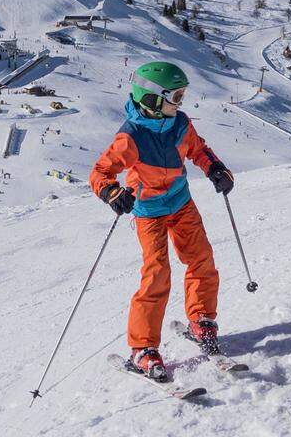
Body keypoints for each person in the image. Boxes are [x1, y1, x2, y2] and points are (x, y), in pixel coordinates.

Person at [89, 61, 235, 382]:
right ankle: (143, 348)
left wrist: (215, 169)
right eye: (176, 97)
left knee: (202, 260)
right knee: (157, 274)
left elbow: (198, 150)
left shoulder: (179, 124)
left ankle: (202, 321)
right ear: (153, 99)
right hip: (149, 211)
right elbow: (100, 173)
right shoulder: (131, 136)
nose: (181, 103)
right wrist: (112, 193)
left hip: (181, 203)